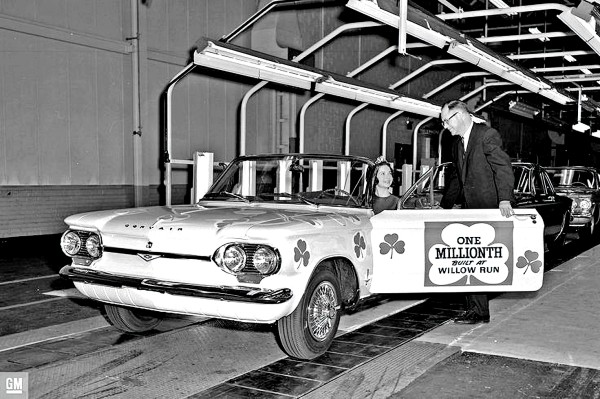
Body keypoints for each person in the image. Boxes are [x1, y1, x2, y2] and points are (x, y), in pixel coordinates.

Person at [439, 100, 515, 325]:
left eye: (446, 121)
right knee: (470, 259)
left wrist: (504, 199)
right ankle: (476, 309)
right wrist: (444, 207)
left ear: (459, 116)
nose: (445, 126)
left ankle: (478, 310)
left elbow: (503, 167)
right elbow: (457, 178)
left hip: (489, 209)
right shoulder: (457, 144)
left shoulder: (486, 135)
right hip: (471, 211)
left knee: (478, 261)